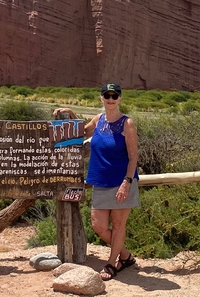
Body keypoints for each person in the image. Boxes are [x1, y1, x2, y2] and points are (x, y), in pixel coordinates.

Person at [53, 83, 139, 282]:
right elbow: (83, 132)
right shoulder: (99, 119)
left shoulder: (127, 123)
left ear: (120, 99)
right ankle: (125, 255)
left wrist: (126, 182)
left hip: (121, 182)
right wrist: (71, 113)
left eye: (114, 96)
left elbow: (133, 156)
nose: (110, 99)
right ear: (101, 98)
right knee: (98, 226)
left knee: (118, 225)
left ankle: (111, 264)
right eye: (107, 95)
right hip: (100, 181)